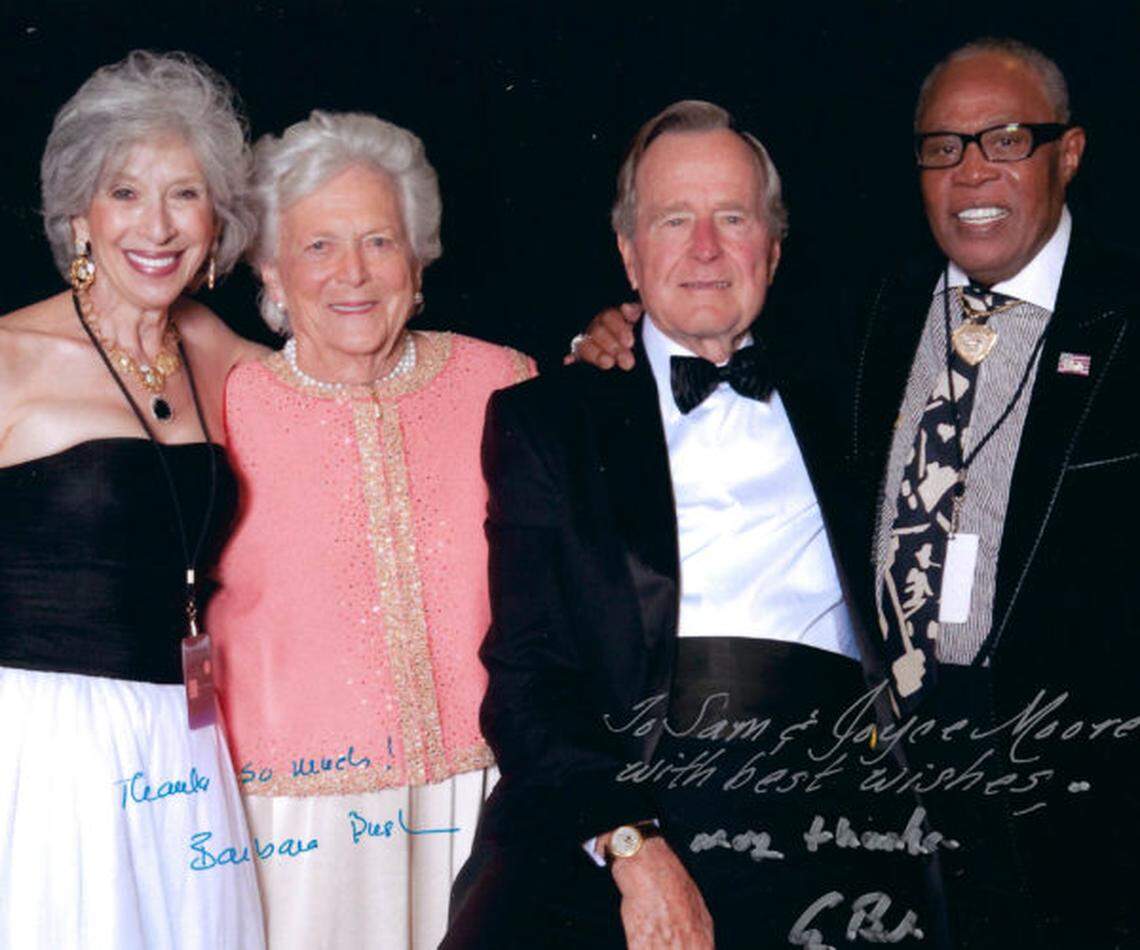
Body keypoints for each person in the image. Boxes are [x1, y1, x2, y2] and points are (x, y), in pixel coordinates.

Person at [573, 38, 1140, 948]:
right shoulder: (865, 314)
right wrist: (617, 331)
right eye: (943, 148)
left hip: (1074, 809)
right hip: (873, 799)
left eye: (1006, 140)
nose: (971, 172)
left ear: (1067, 153)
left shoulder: (1125, 320)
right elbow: (704, 312)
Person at [445, 100, 934, 950]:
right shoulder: (550, 421)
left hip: (827, 805)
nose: (705, 248)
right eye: (675, 219)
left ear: (772, 249)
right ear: (629, 253)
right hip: (616, 799)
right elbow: (526, 680)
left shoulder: (853, 394)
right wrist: (632, 848)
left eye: (733, 218)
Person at [207, 109, 534, 950]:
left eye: (379, 242)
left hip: (485, 794)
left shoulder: (502, 382)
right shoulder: (226, 407)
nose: (351, 273)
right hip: (298, 818)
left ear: (417, 260)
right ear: (271, 270)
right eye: (318, 245)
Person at [0, 51, 264, 948]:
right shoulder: (12, 359)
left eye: (185, 194)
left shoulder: (209, 345)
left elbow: (356, 382)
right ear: (79, 214)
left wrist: (589, 346)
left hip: (183, 737)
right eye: (125, 193)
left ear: (216, 218)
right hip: (43, 749)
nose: (157, 225)